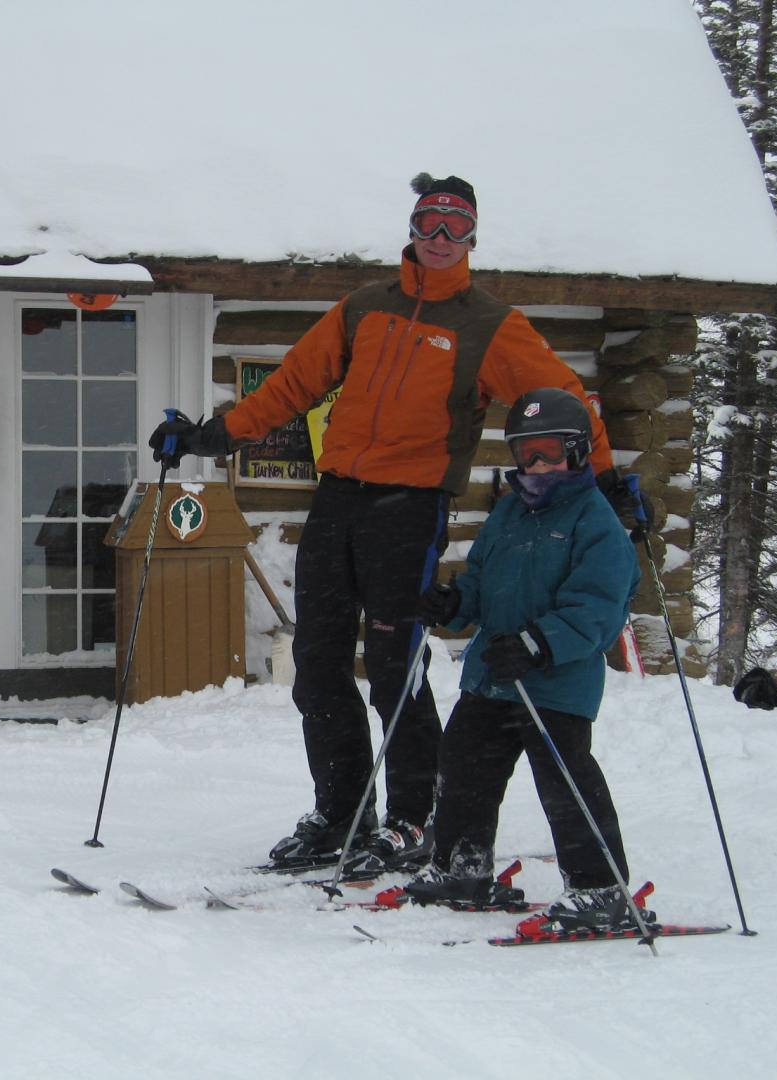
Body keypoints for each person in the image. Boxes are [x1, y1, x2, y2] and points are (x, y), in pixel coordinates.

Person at [150, 172, 646, 873]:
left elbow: (558, 398)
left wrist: (600, 481)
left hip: (410, 510)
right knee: (317, 666)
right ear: (411, 229)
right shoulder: (363, 308)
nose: (441, 238)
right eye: (429, 221)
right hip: (339, 500)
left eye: (457, 226)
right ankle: (341, 814)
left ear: (474, 237)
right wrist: (213, 435)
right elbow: (294, 383)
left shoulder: (488, 324)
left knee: (393, 669)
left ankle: (414, 818)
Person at [406, 387, 652, 931]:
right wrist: (454, 603)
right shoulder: (510, 513)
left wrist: (539, 644)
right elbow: (481, 582)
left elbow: (598, 608)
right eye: (524, 452)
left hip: (555, 683)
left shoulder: (597, 522)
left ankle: (599, 886)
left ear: (578, 451)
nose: (536, 464)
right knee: (463, 764)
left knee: (565, 781)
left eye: (548, 451)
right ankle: (460, 867)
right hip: (494, 675)